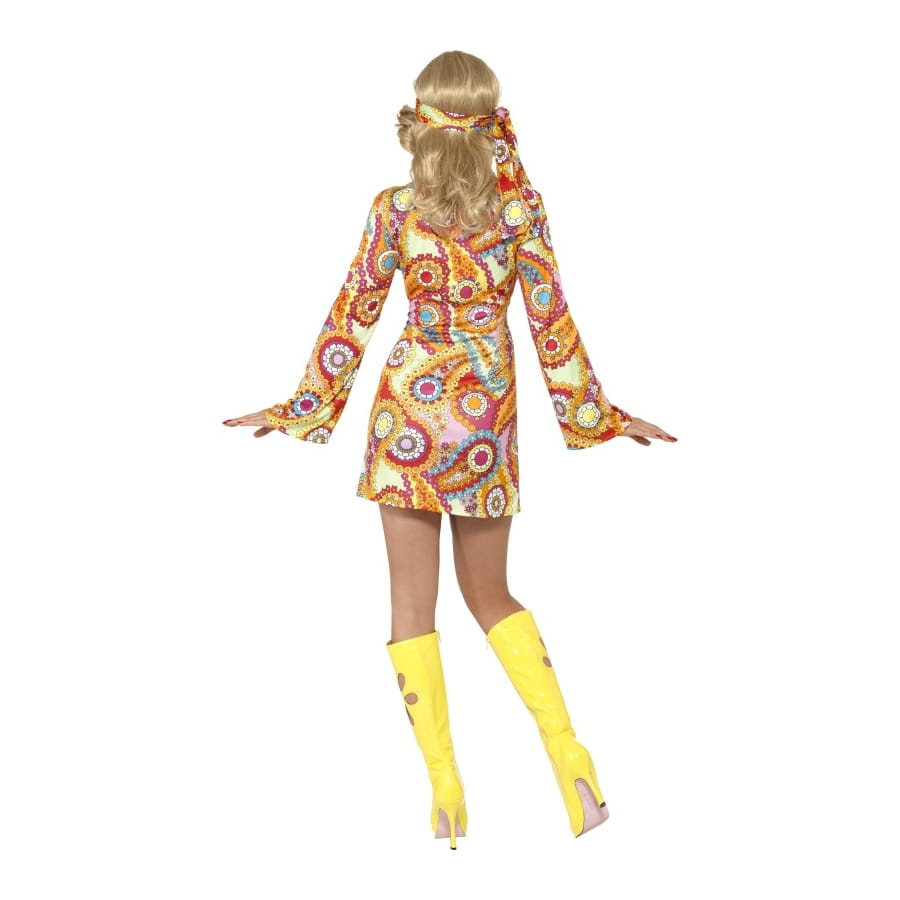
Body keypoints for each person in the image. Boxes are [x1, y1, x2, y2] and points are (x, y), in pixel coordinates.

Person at [223, 50, 676, 850]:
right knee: (491, 595)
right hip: (482, 425)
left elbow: (354, 313)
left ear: (421, 119)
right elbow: (552, 323)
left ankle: (445, 793)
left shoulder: (395, 209)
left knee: (410, 607)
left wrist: (303, 407)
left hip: (405, 420)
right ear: (490, 119)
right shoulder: (520, 210)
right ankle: (572, 761)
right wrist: (599, 414)